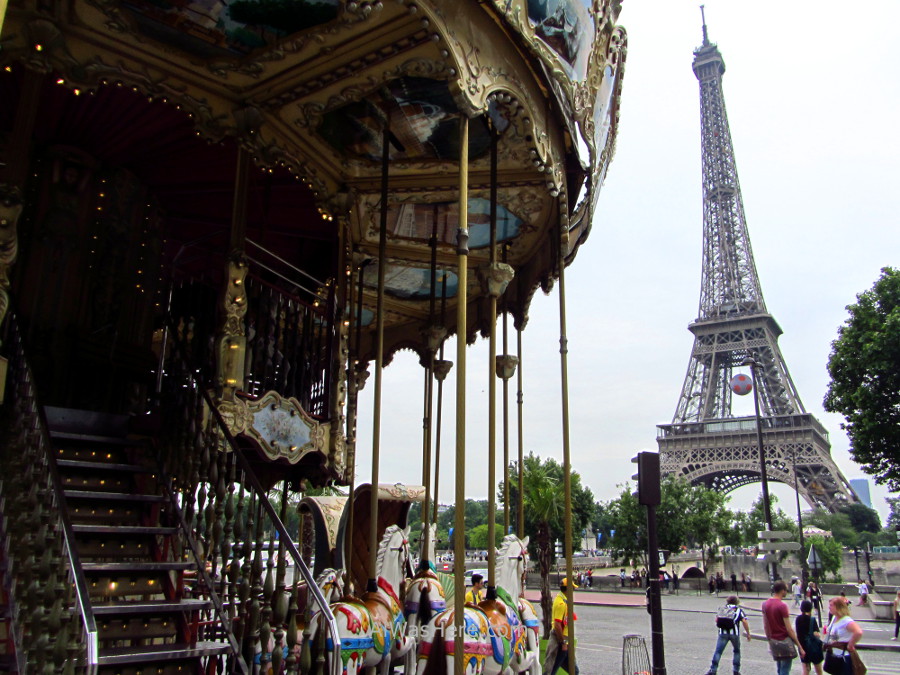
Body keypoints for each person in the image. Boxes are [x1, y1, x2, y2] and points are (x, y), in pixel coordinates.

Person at [762, 580, 805, 675]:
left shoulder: (765, 604)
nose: (787, 592)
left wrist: (769, 640)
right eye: (786, 590)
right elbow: (789, 629)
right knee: (785, 669)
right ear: (782, 591)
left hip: (773, 640)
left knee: (779, 668)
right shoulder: (782, 606)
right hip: (784, 640)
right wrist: (799, 646)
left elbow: (766, 625)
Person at [704, 595, 750, 675]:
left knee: (718, 652)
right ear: (736, 602)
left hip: (723, 633)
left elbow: (717, 620)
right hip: (734, 634)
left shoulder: (722, 609)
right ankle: (736, 671)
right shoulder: (739, 610)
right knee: (736, 651)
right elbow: (744, 621)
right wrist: (748, 633)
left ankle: (713, 670)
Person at [543, 578, 579, 675]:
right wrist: (563, 642)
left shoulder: (562, 599)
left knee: (574, 671)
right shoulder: (561, 604)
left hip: (564, 640)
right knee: (552, 670)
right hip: (560, 641)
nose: (573, 591)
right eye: (572, 589)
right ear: (568, 589)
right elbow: (557, 625)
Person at [824, 596, 863, 675]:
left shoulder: (846, 621)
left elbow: (858, 632)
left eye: (831, 605)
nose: (829, 607)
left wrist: (850, 645)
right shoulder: (834, 618)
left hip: (843, 656)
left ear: (838, 607)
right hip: (834, 654)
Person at [795, 600, 824, 675]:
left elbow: (798, 634)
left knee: (806, 670)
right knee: (819, 671)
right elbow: (816, 634)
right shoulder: (812, 619)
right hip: (813, 648)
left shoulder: (798, 619)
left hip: (802, 647)